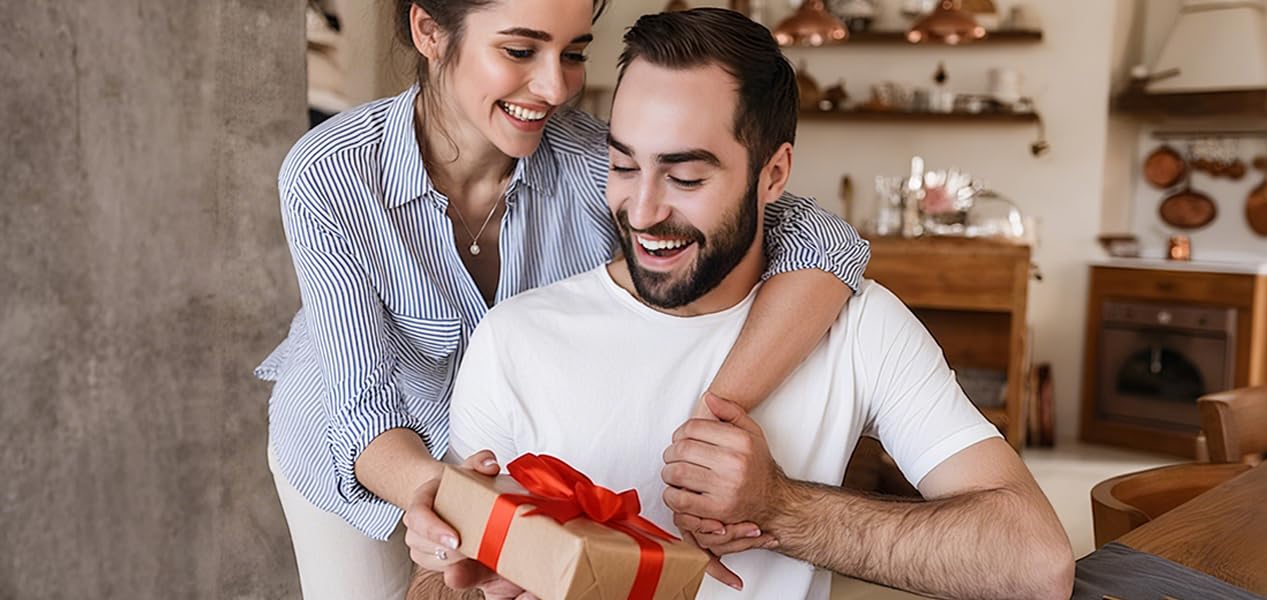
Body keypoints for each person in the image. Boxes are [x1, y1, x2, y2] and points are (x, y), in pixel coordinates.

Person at [415, 8, 1073, 599]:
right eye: (622, 166)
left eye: (687, 176)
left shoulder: (858, 327)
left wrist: (782, 509)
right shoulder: (515, 339)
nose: (642, 211)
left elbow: (1037, 563)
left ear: (775, 174)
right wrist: (470, 579)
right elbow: (434, 586)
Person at [255, 0, 870, 597]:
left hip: (505, 453)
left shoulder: (593, 162)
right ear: (429, 31)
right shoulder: (330, 172)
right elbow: (360, 401)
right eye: (521, 49)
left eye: (574, 52)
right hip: (354, 451)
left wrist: (707, 427)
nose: (553, 87)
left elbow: (828, 243)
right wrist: (441, 493)